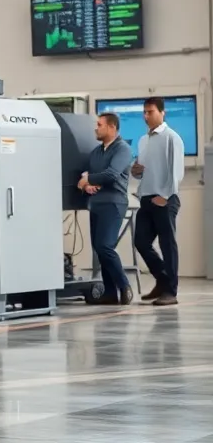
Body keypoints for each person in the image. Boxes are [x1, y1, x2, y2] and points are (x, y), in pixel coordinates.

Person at [132, 96, 184, 306]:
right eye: (144, 112)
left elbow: (176, 171)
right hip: (146, 198)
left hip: (165, 199)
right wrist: (135, 172)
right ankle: (163, 280)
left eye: (150, 112)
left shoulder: (172, 138)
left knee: (167, 244)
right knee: (140, 241)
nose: (146, 116)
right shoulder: (143, 141)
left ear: (162, 113)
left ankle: (170, 291)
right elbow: (141, 171)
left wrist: (166, 196)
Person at [79, 112, 133, 304]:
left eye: (100, 125)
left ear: (112, 127)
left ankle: (124, 286)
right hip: (96, 204)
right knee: (99, 248)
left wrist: (89, 179)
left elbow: (111, 174)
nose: (96, 128)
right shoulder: (96, 152)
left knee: (105, 246)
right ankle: (110, 293)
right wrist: (87, 185)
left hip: (113, 203)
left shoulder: (123, 149)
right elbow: (88, 173)